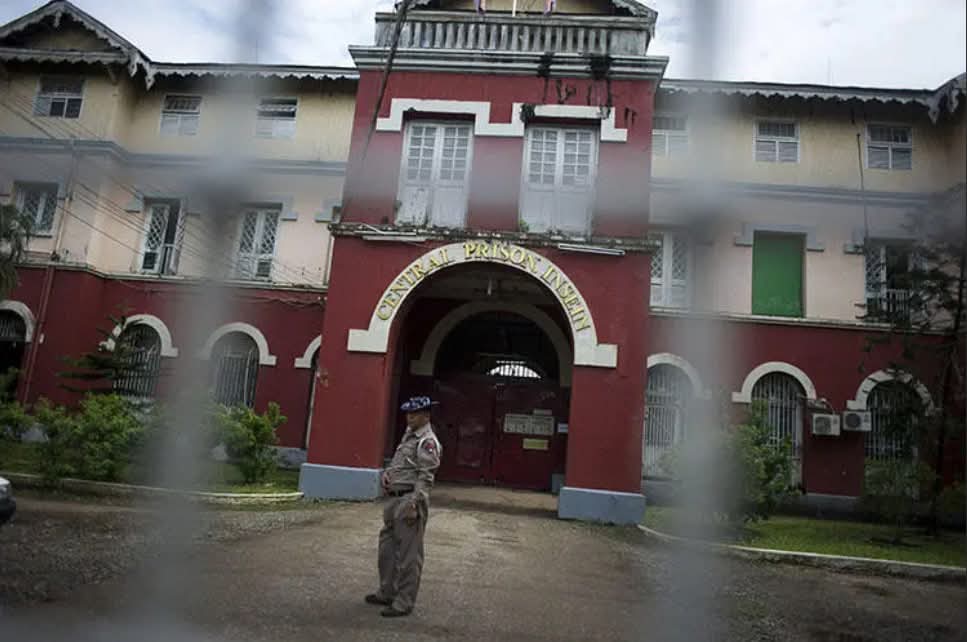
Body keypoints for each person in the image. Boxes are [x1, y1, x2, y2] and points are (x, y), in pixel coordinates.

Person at [365, 395, 442, 617]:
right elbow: (401, 464)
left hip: (409, 501)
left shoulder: (427, 441)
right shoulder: (409, 435)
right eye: (408, 413)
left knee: (409, 556)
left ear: (426, 416)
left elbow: (426, 476)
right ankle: (386, 592)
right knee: (387, 550)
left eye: (415, 414)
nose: (410, 417)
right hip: (393, 499)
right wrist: (388, 474)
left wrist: (415, 504)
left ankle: (404, 602)